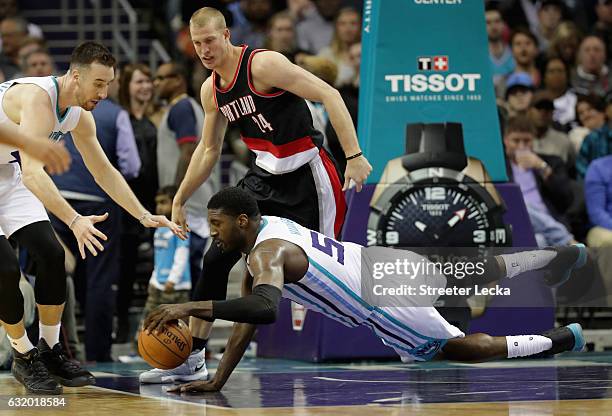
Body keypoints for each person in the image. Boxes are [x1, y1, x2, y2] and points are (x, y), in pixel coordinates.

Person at [144, 187, 587, 393]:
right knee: (465, 273)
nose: (213, 234)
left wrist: (188, 304)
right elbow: (247, 318)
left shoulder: (266, 255)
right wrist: (218, 379)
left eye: (217, 225)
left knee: (454, 348)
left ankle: (560, 339)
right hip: (372, 261)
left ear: (242, 222)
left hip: (379, 302)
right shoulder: (269, 232)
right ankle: (553, 257)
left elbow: (264, 310)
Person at [138, 6, 372, 384]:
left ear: (227, 34)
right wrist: (180, 198)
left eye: (210, 40)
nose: (204, 50)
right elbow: (208, 150)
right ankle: (193, 357)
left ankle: (392, 321)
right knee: (215, 259)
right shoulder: (210, 88)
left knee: (332, 270)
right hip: (262, 178)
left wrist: (355, 155)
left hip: (308, 173)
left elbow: (329, 93)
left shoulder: (262, 65)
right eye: (197, 44)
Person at [0, 41, 183, 395]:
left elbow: (103, 169)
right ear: (75, 76)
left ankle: (51, 350)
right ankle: (24, 356)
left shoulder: (78, 115)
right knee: (6, 270)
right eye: (98, 84)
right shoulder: (39, 99)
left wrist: (143, 214)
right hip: (21, 173)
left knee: (52, 256)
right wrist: (73, 220)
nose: (104, 92)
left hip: (11, 175)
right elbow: (36, 174)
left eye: (109, 84)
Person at [139, 186, 192, 339]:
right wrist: (154, 279)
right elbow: (159, 258)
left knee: (179, 329)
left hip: (176, 287)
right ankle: (142, 351)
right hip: (157, 285)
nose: (159, 207)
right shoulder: (159, 228)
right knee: (148, 321)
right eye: (157, 203)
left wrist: (173, 279)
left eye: (164, 202)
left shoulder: (180, 227)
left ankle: (186, 354)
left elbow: (181, 255)